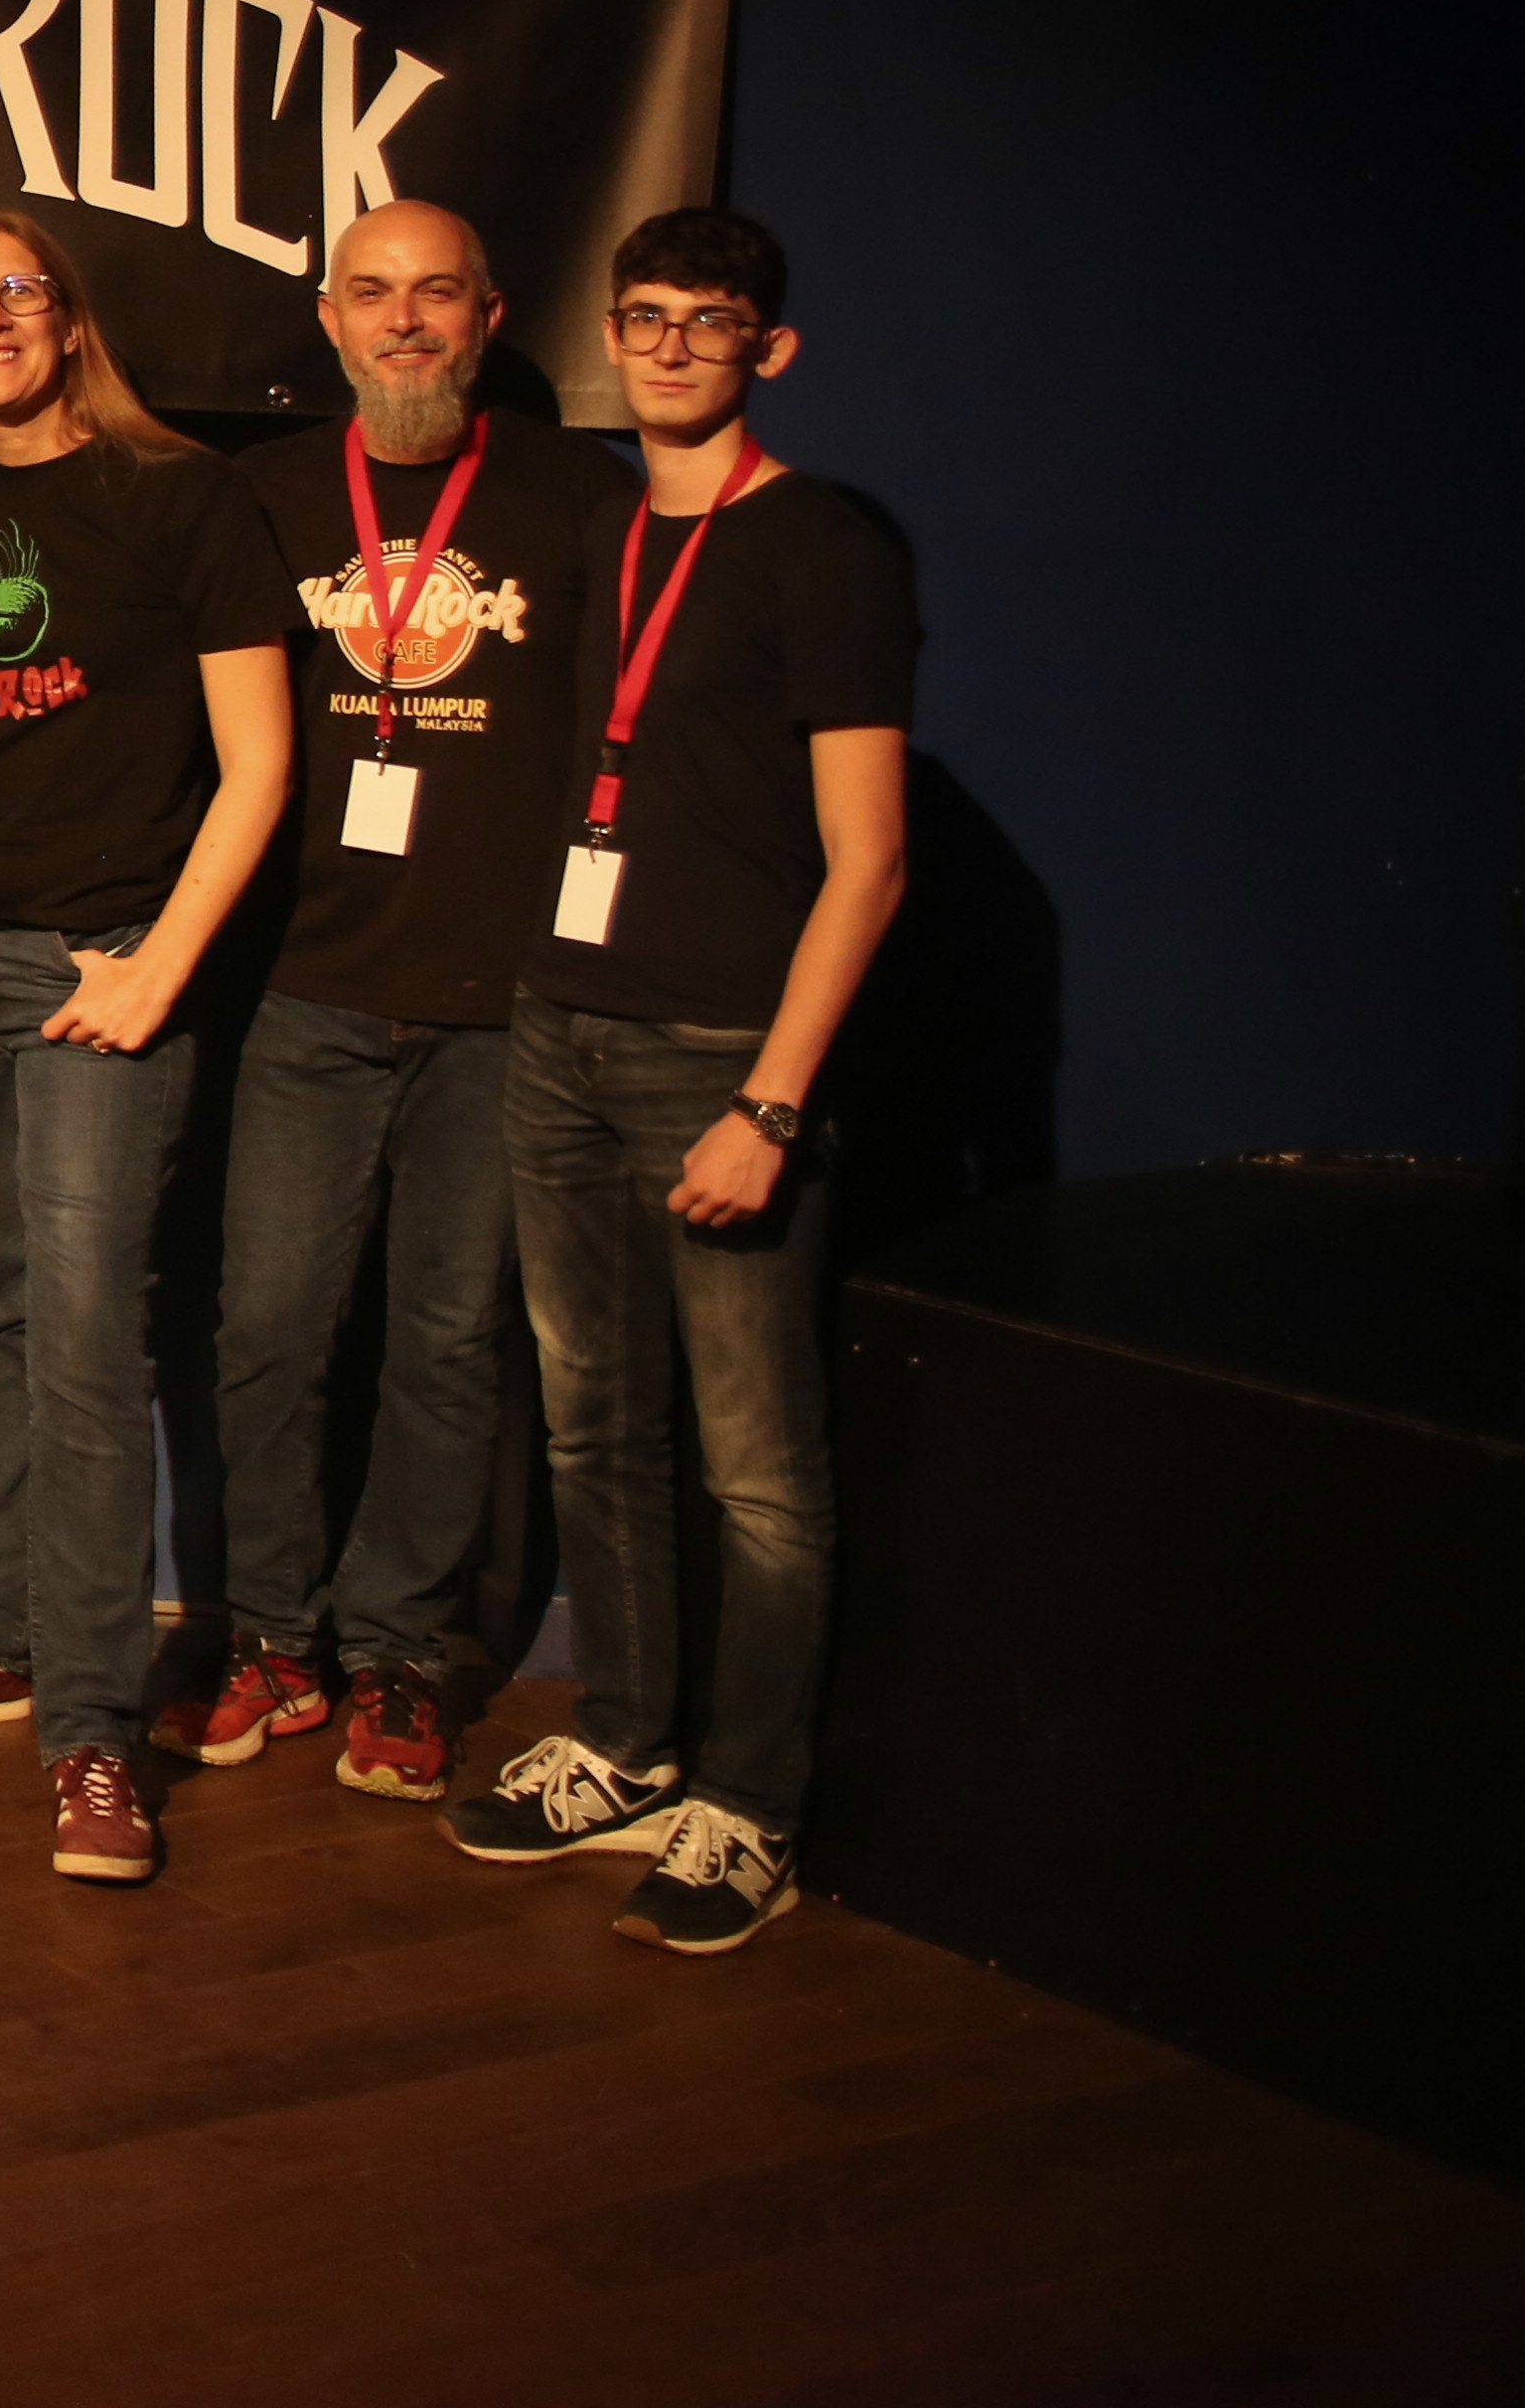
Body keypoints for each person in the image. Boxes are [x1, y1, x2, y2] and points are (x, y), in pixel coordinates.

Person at [0, 207, 295, 1888]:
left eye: (18, 290)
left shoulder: (180, 493)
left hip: (99, 962)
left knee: (89, 1345)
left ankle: (95, 1729)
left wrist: (164, 965)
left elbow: (259, 766)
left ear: (72, 320)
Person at [450, 206, 909, 1957]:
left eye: (706, 323)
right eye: (641, 317)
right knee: (594, 1422)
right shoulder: (604, 527)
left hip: (722, 1057)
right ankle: (632, 1743)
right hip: (563, 1026)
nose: (666, 349)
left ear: (765, 348)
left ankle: (751, 1803)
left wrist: (774, 1103)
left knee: (758, 1464)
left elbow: (869, 860)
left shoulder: (825, 547)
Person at [165, 200, 629, 1798]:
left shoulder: (581, 494)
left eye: (437, 294)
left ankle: (402, 1654)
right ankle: (271, 1638)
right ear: (330, 319)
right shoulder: (266, 495)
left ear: (491, 315)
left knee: (449, 1344)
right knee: (267, 1333)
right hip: (303, 987)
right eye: (373, 294)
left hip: (505, 1007)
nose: (406, 321)